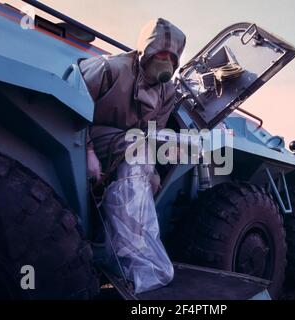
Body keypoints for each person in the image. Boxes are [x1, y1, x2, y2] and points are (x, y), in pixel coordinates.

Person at [79, 18, 186, 293]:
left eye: (172, 57)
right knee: (138, 162)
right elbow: (73, 104)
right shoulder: (109, 68)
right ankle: (141, 267)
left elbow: (154, 133)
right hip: (88, 134)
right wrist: (89, 151)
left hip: (131, 144)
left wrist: (152, 172)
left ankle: (115, 252)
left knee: (144, 173)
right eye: (160, 54)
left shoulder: (167, 91)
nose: (166, 61)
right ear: (145, 52)